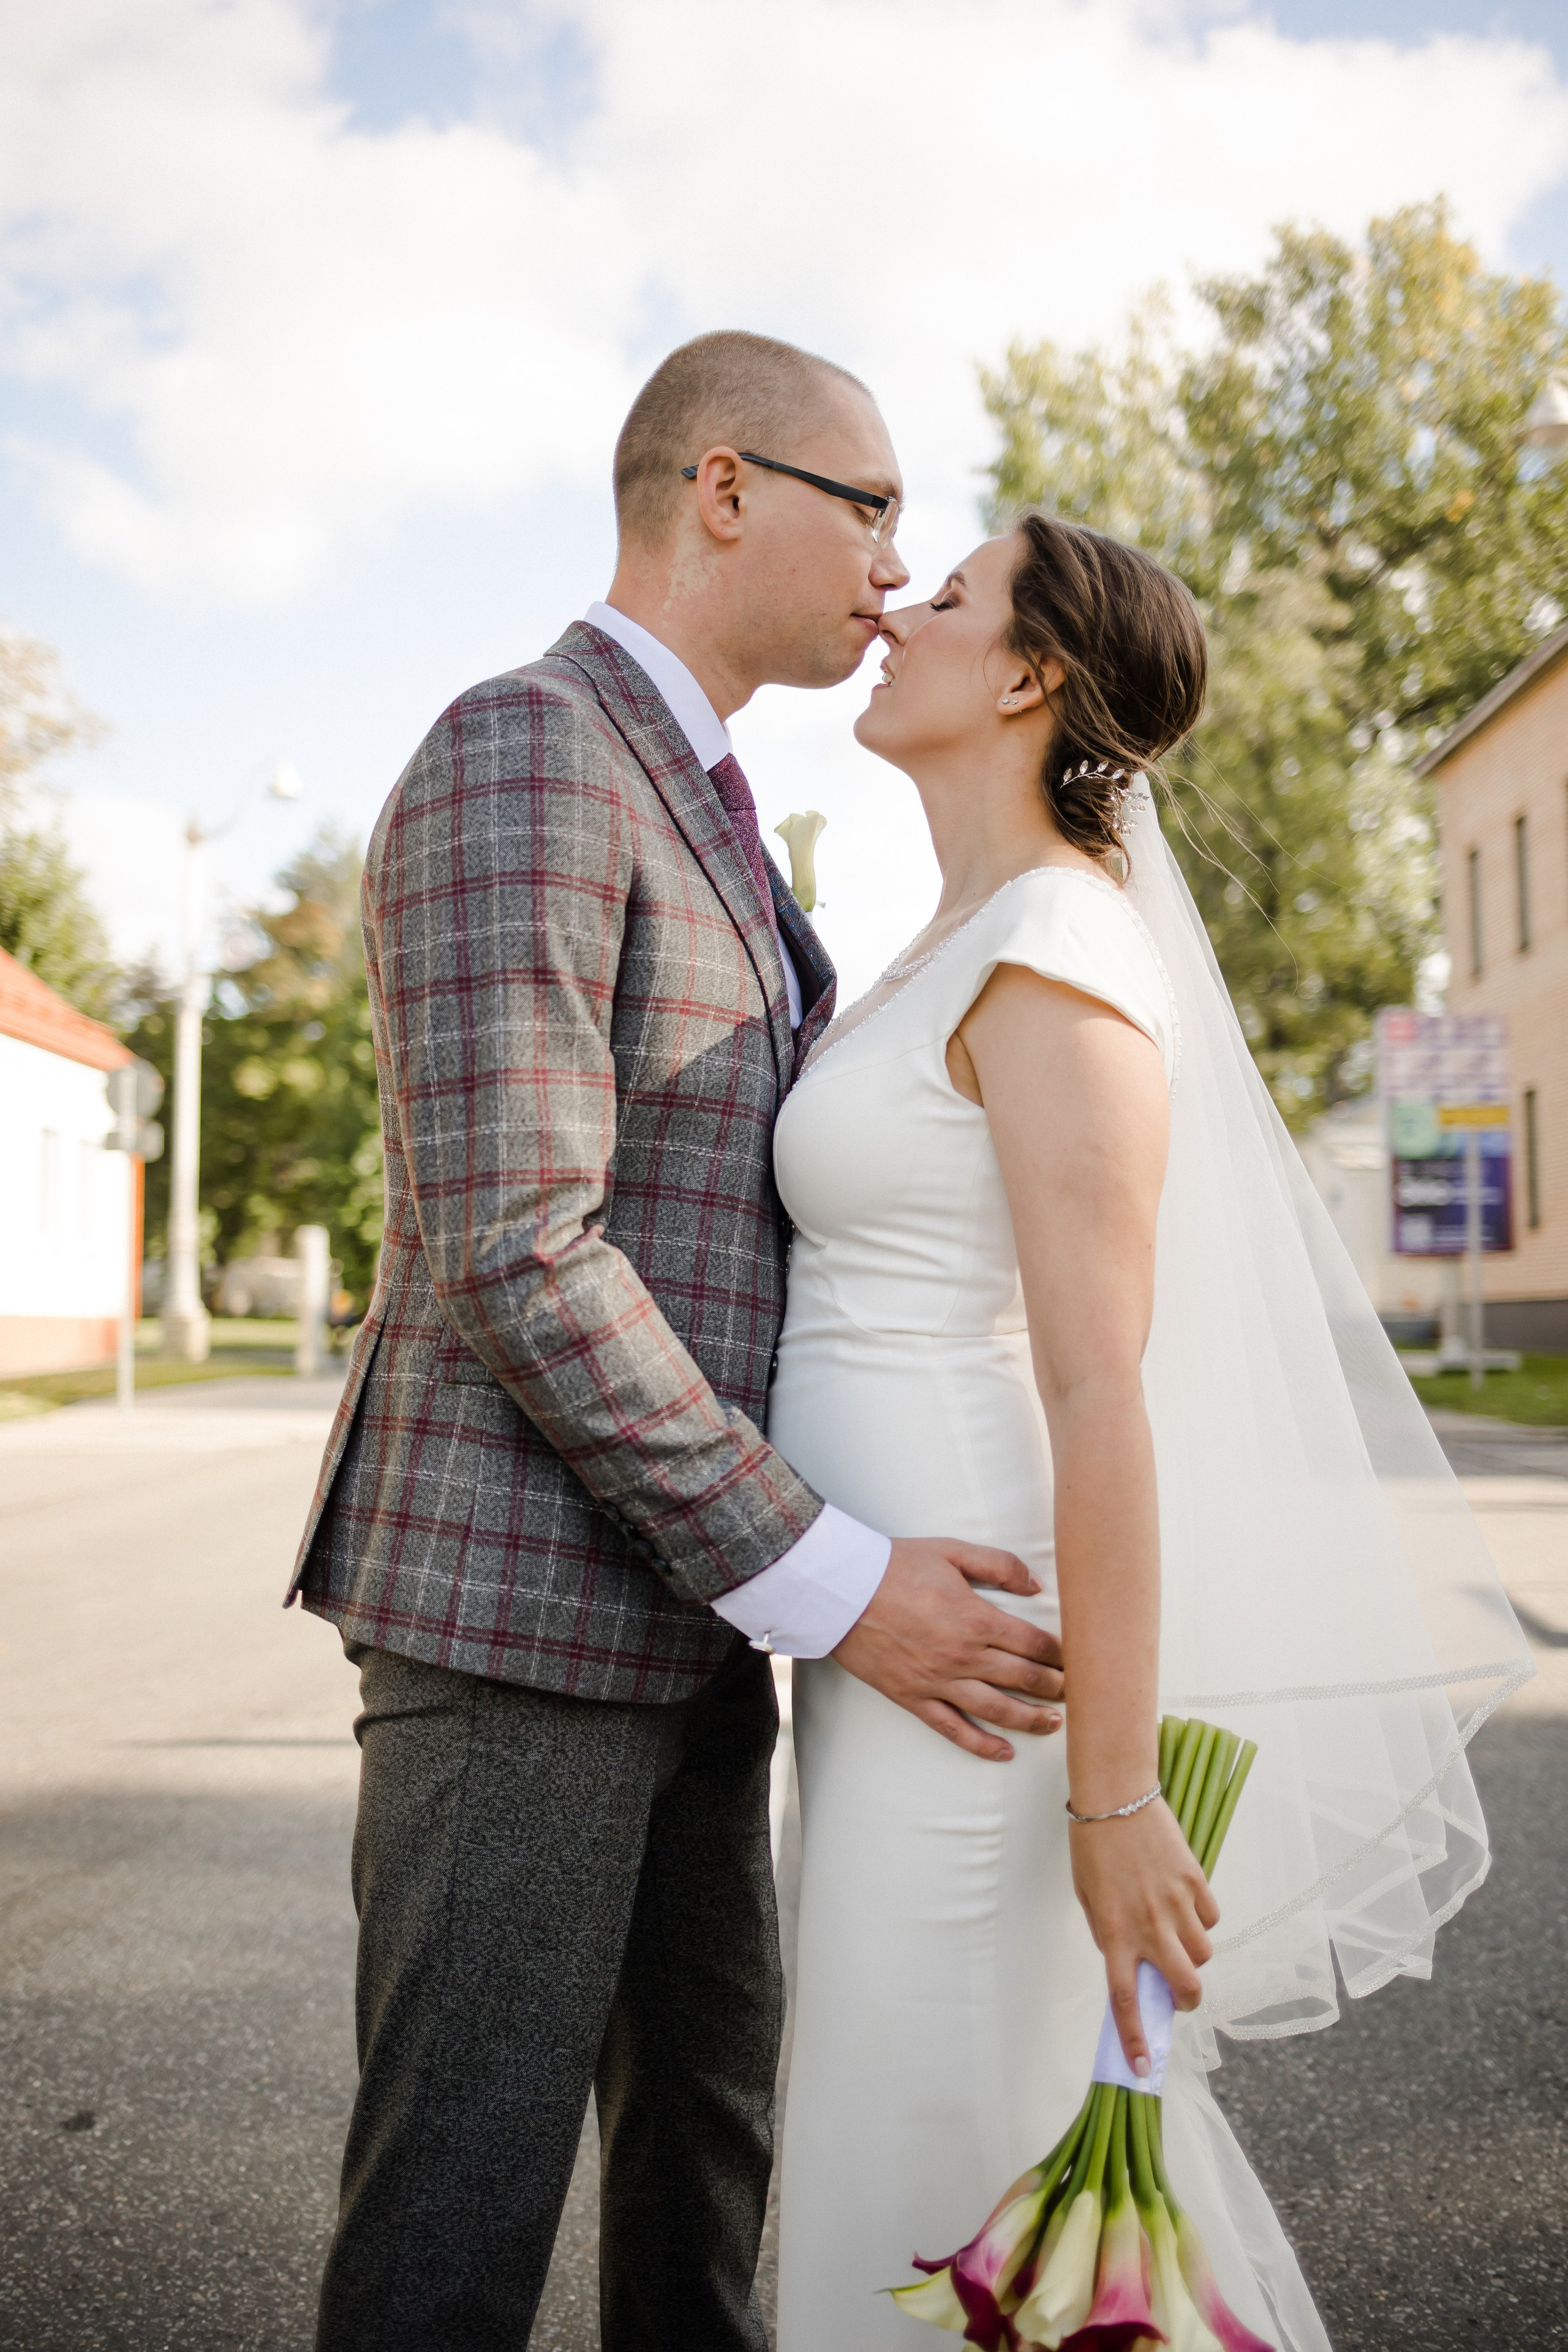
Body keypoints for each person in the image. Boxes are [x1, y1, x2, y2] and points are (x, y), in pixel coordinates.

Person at [285, 331, 1068, 2352]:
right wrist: (834, 1577)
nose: (896, 563)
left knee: (703, 2170)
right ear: (725, 490)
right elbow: (517, 1246)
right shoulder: (528, 746)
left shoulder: (712, 803)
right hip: (522, 1622)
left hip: (698, 1616)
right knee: (458, 2207)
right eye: (870, 504)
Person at [770, 514, 1532, 2350]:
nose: (897, 610)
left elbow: (1104, 1386)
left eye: (946, 597)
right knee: (906, 2136)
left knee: (946, 2139)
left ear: (1031, 677)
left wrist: (1112, 1799)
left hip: (986, 1663)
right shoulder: (941, 938)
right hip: (880, 1644)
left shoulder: (1057, 946)